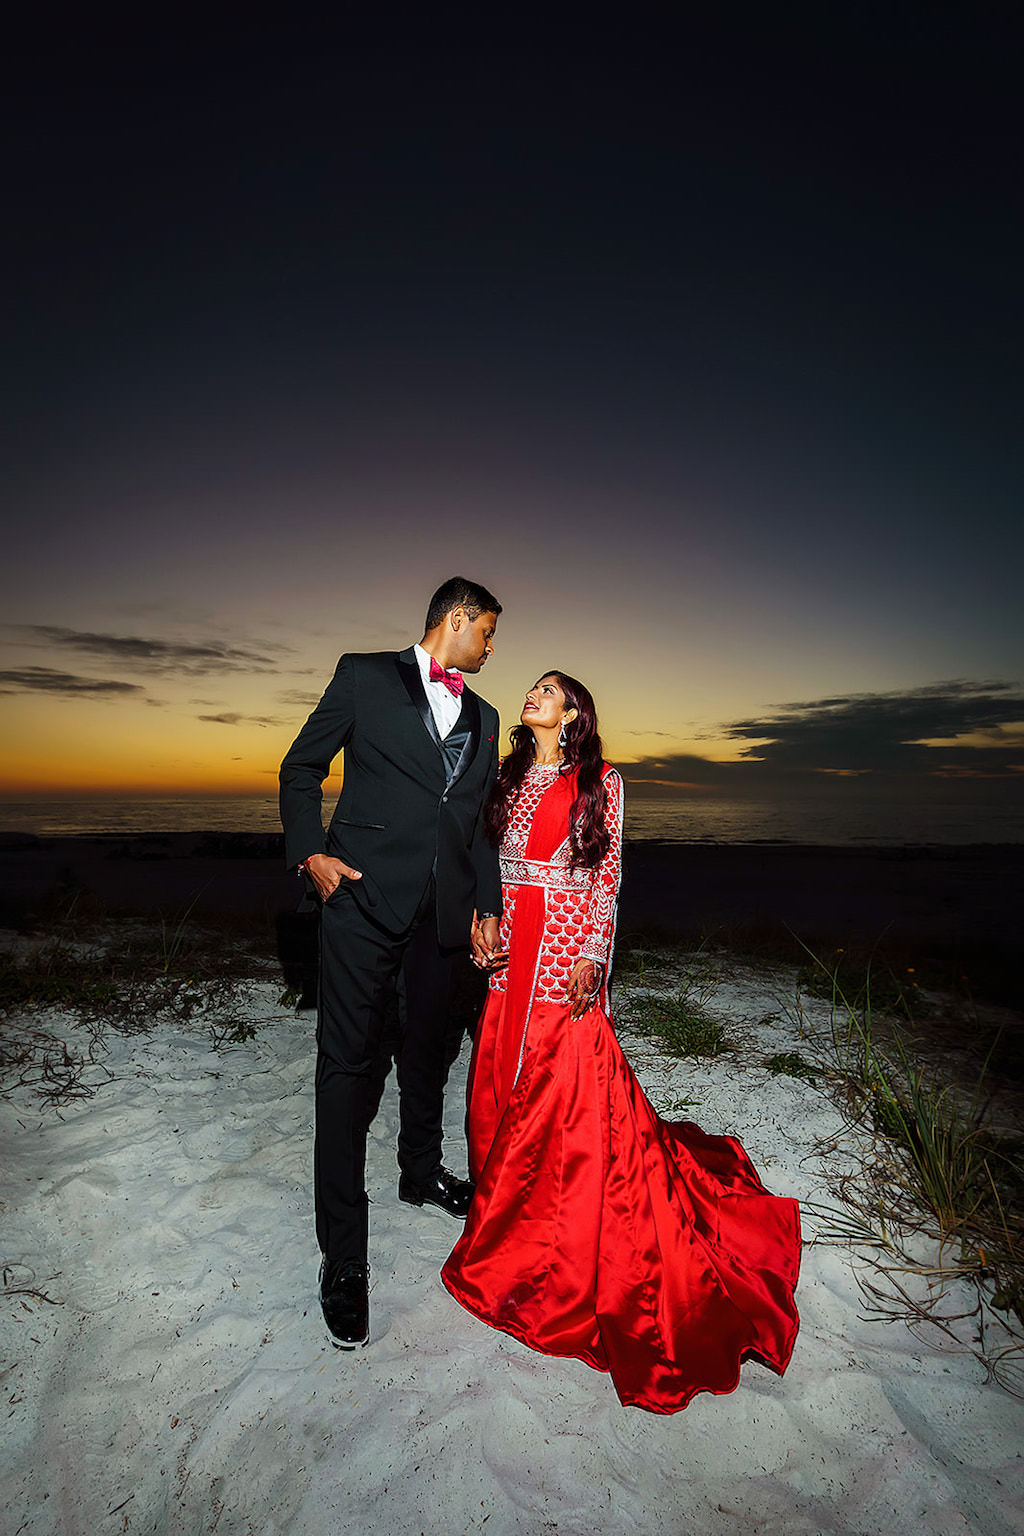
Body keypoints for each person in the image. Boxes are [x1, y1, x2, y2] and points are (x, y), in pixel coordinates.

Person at [441, 672, 801, 1413]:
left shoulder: (603, 779)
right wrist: (482, 923)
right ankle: (499, 1218)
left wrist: (594, 956)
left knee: (561, 1104)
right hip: (513, 943)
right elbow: (491, 864)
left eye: (548, 688)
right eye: (532, 687)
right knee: (498, 1083)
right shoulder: (507, 775)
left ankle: (539, 1242)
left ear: (572, 711)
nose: (533, 693)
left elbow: (607, 877)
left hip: (567, 941)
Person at [279, 577, 504, 1349]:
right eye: (488, 633)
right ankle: (344, 1261)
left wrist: (487, 905)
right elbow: (299, 769)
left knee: (429, 1054)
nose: (491, 648)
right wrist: (311, 852)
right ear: (459, 619)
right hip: (362, 905)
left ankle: (419, 1171)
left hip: (441, 922)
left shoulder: (486, 716)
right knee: (346, 1069)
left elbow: (475, 827)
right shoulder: (364, 676)